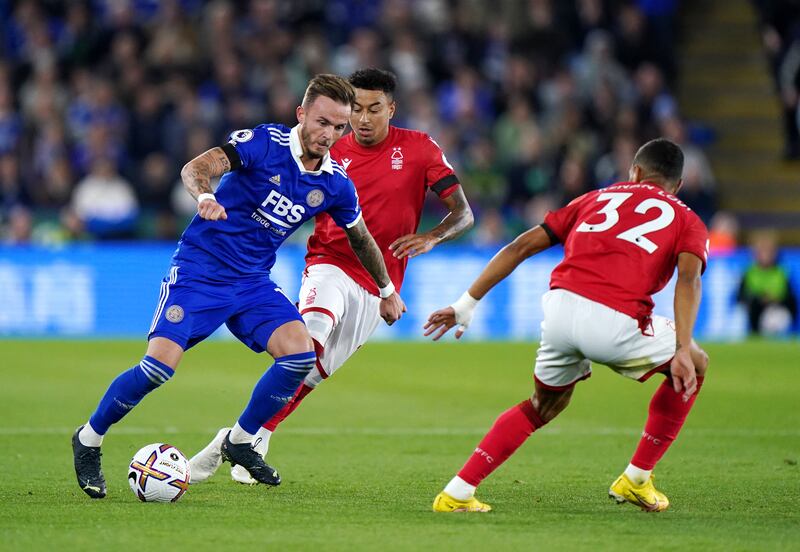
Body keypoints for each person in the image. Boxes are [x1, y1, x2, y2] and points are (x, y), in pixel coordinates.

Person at [71, 74, 406, 499]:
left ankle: (241, 440)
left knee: (300, 356)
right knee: (158, 368)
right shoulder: (264, 143)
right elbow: (197, 168)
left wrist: (386, 289)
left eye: (339, 127)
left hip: (251, 283)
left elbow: (360, 236)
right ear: (302, 114)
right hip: (200, 271)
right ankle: (89, 439)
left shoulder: (335, 183)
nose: (330, 134)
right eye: (323, 122)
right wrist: (204, 196)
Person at [189, 68, 474, 484]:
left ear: (391, 109)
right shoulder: (329, 147)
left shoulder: (419, 148)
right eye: (355, 109)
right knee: (310, 341)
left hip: (379, 282)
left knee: (313, 372)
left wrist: (432, 236)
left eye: (374, 109)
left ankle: (243, 437)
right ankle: (243, 439)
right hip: (329, 262)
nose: (362, 119)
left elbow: (464, 213)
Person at [425, 138, 709, 513]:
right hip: (615, 320)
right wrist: (682, 349)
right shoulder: (687, 218)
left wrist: (466, 302)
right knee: (696, 363)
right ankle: (637, 478)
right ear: (679, 185)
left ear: (635, 172)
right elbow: (688, 281)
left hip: (559, 311)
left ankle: (457, 492)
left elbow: (520, 246)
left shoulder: (594, 198)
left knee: (541, 406)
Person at [737, 231, 797, 336]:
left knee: (775, 320)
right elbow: (740, 296)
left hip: (776, 310)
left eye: (768, 252)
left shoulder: (782, 272)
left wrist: (776, 299)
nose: (765, 255)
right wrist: (757, 298)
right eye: (762, 251)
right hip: (755, 311)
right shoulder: (749, 271)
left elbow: (791, 298)